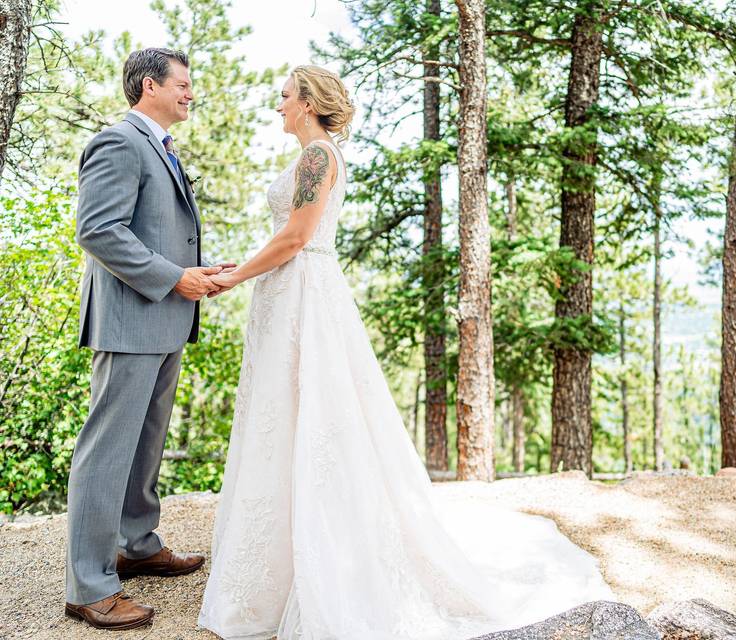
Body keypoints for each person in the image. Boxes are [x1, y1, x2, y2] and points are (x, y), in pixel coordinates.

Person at [197, 65, 613, 640]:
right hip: (285, 294)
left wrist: (233, 276)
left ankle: (324, 563)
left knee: (312, 414)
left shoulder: (319, 157)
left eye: (285, 97)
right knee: (279, 418)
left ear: (309, 102)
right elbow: (286, 234)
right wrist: (240, 268)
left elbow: (297, 237)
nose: (278, 106)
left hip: (304, 298)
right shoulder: (311, 157)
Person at [65, 47, 234, 631]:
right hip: (131, 320)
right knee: (107, 450)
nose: (191, 93)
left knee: (146, 446)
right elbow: (98, 230)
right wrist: (173, 278)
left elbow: (158, 232)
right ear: (147, 85)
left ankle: (136, 544)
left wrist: (199, 272)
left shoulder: (160, 146)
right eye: (182, 84)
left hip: (165, 319)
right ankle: (88, 586)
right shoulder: (118, 141)